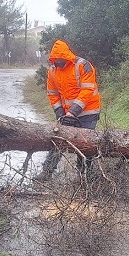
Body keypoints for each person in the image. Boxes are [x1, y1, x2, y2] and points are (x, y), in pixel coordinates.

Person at [39, 39, 101, 178]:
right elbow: (52, 93)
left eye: (60, 60)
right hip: (67, 113)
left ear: (66, 56)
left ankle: (84, 174)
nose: (58, 62)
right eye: (55, 60)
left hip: (88, 111)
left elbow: (87, 90)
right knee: (58, 140)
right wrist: (59, 112)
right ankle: (47, 171)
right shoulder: (52, 71)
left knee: (85, 143)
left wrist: (73, 112)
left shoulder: (83, 65)